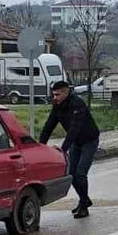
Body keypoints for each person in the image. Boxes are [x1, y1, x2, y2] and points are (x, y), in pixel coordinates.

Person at [39, 80, 100, 219]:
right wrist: (40, 146)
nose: (55, 98)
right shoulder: (57, 105)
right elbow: (49, 125)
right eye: (53, 95)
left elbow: (74, 129)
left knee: (80, 173)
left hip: (89, 141)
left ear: (66, 92)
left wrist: (63, 148)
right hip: (76, 142)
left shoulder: (77, 104)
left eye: (57, 95)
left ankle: (84, 206)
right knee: (71, 174)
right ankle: (85, 200)